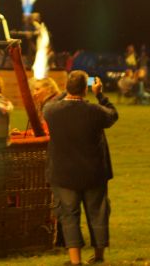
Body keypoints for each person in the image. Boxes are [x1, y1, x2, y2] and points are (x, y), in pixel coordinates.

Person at [43, 70, 118, 266]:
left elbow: (48, 104)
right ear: (86, 89)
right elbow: (113, 115)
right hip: (93, 172)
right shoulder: (95, 111)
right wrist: (100, 94)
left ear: (68, 87)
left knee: (69, 216)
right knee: (98, 213)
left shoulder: (51, 111)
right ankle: (99, 256)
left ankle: (75, 261)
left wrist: (63, 93)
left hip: (64, 173)